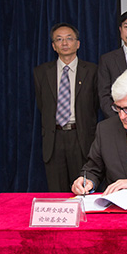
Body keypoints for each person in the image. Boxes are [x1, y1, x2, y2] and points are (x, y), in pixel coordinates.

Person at [34, 23, 98, 192]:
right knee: (57, 191)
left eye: (69, 38)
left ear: (78, 44)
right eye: (59, 39)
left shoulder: (92, 71)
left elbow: (95, 104)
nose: (64, 43)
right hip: (54, 138)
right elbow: (42, 105)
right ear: (53, 46)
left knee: (82, 189)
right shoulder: (41, 72)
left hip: (81, 137)